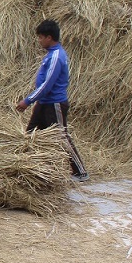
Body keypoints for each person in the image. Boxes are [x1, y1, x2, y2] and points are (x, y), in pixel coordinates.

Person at [16, 19, 88, 180]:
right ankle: (26, 167)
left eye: (41, 37)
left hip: (53, 103)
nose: (39, 40)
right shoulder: (51, 55)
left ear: (49, 37)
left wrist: (28, 100)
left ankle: (80, 171)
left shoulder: (56, 56)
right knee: (31, 133)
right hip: (44, 103)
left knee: (61, 136)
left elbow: (47, 84)